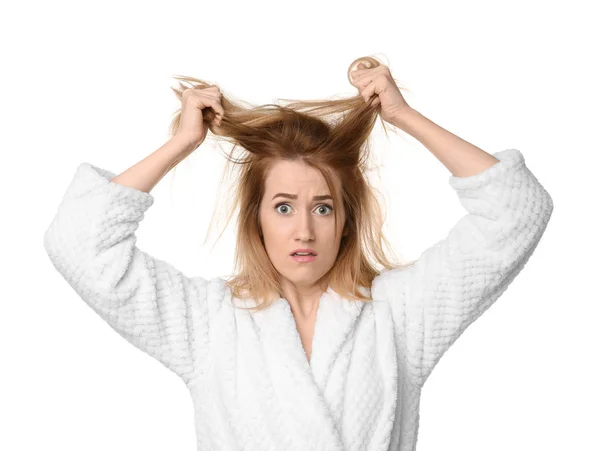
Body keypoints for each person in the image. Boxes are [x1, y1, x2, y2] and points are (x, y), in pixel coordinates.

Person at [43, 56, 553, 451]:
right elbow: (79, 242)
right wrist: (181, 143)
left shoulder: (397, 314)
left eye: (323, 208)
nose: (304, 231)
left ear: (346, 219)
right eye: (283, 207)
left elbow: (517, 212)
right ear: (257, 218)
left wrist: (402, 116)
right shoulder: (209, 323)